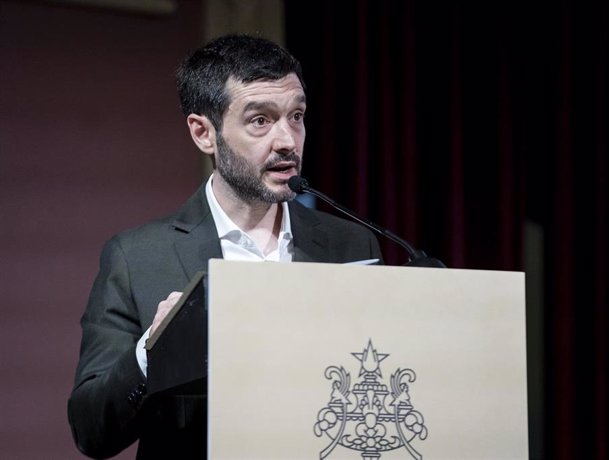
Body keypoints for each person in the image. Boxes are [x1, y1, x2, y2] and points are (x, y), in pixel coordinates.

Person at [67, 34, 383, 459]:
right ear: (204, 133)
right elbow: (91, 430)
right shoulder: (137, 258)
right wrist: (152, 352)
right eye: (260, 120)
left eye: (296, 116)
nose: (288, 140)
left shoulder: (350, 243)